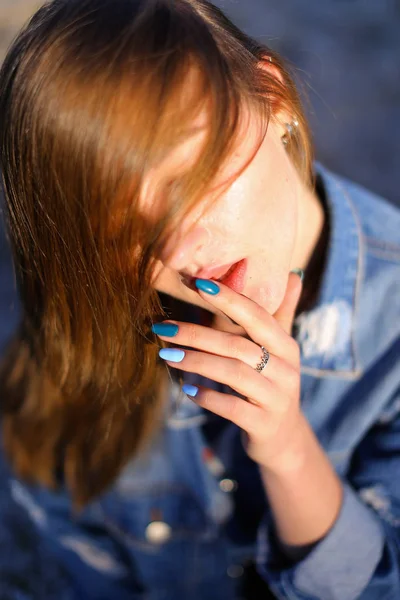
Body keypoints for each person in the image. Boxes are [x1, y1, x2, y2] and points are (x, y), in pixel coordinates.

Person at [0, 0, 399, 598]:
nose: (183, 246)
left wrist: (288, 450)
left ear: (274, 98)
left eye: (191, 179)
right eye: (122, 229)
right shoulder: (84, 315)